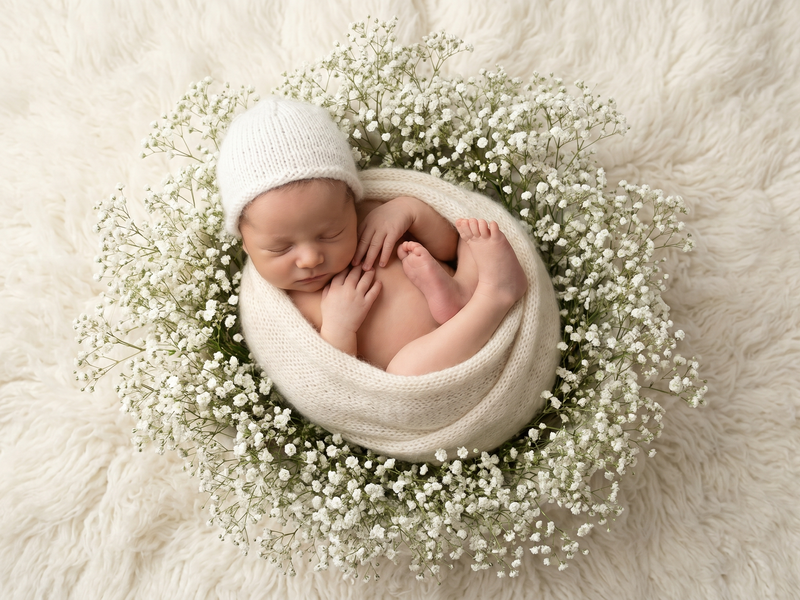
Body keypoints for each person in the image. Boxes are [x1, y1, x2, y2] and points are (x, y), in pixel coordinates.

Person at [217, 96, 527, 376]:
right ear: (245, 243)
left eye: (329, 234)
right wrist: (339, 328)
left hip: (463, 289)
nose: (310, 258)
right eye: (280, 248)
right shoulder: (288, 306)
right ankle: (495, 296)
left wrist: (408, 210)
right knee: (406, 370)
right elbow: (332, 379)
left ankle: (459, 295)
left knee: (470, 233)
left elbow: (446, 246)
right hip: (438, 360)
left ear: (351, 206)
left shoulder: (372, 217)